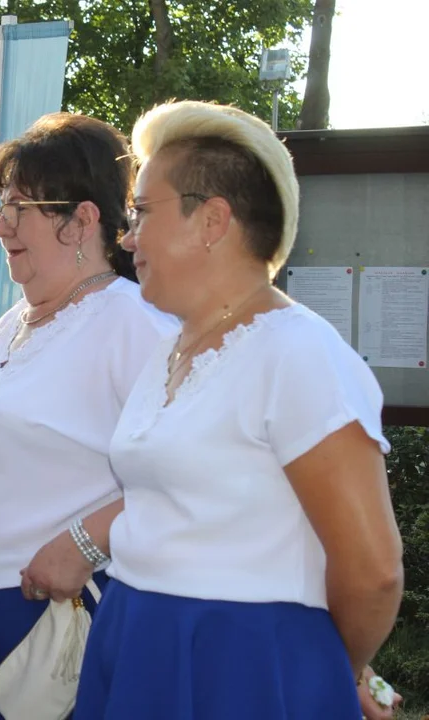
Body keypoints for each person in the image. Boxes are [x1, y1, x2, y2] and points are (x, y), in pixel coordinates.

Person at [74, 100, 404, 719]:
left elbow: (374, 570)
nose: (127, 237)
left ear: (213, 221)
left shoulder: (299, 353)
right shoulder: (174, 349)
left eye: (141, 213)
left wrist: (337, 669)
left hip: (243, 667)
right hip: (140, 641)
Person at [0, 113, 178, 719]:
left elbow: (194, 476)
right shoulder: (14, 322)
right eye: (0, 207)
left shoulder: (136, 326)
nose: (0, 226)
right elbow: (5, 454)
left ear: (82, 219)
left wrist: (82, 544)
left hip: (53, 620)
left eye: (19, 207)